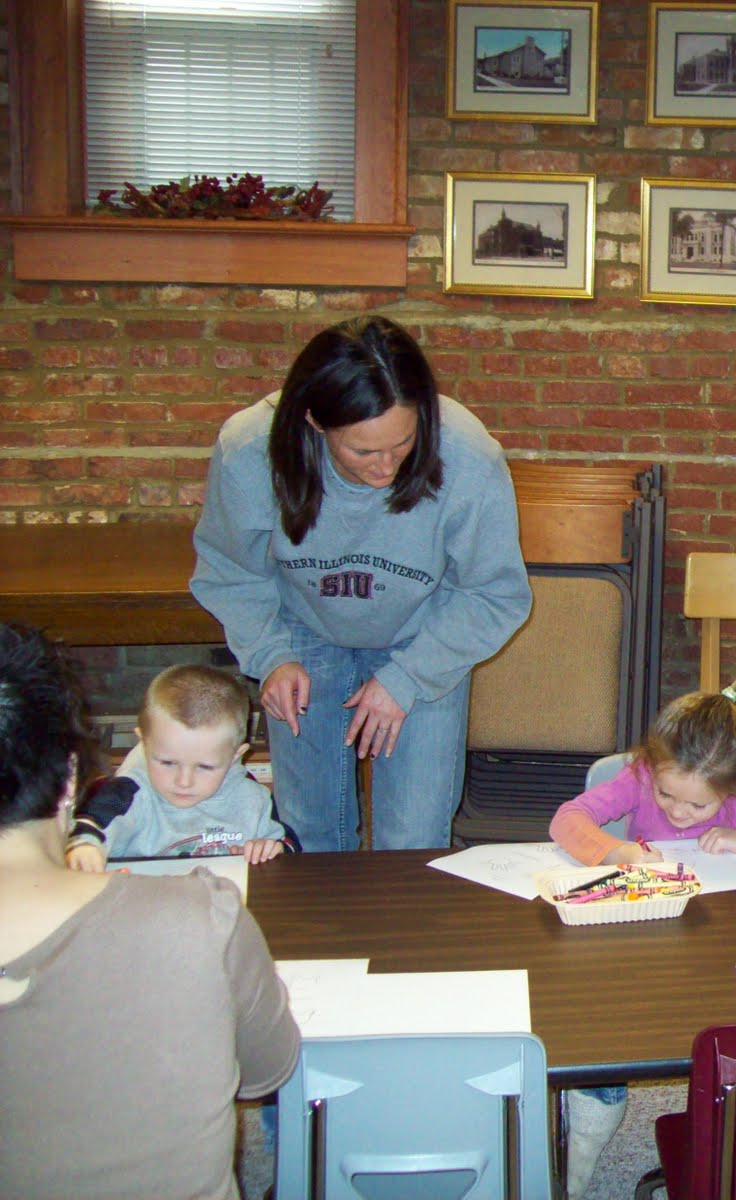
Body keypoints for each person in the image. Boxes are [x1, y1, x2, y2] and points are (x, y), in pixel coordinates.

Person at [191, 316, 532, 852]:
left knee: (413, 837)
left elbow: (493, 594)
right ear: (313, 422)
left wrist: (409, 678)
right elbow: (232, 572)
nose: (386, 468)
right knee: (310, 832)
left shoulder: (469, 458)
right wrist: (271, 655)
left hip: (425, 636)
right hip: (300, 631)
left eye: (402, 443)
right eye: (363, 452)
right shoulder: (249, 452)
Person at [0, 623, 300, 1199]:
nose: (183, 781)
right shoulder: (202, 917)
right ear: (71, 781)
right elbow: (268, 1068)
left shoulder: (246, 801)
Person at [549, 672, 736, 1198]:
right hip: (644, 941)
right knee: (599, 1023)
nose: (678, 813)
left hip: (720, 944)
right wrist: (615, 852)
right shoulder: (640, 774)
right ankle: (583, 1148)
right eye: (667, 796)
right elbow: (569, 819)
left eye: (697, 806)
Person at [63, 663, 295, 869]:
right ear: (143, 743)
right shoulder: (125, 795)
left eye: (204, 767)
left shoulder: (252, 798)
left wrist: (272, 848)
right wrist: (82, 846)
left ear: (235, 757)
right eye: (167, 762)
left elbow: (288, 844)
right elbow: (87, 826)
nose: (183, 781)